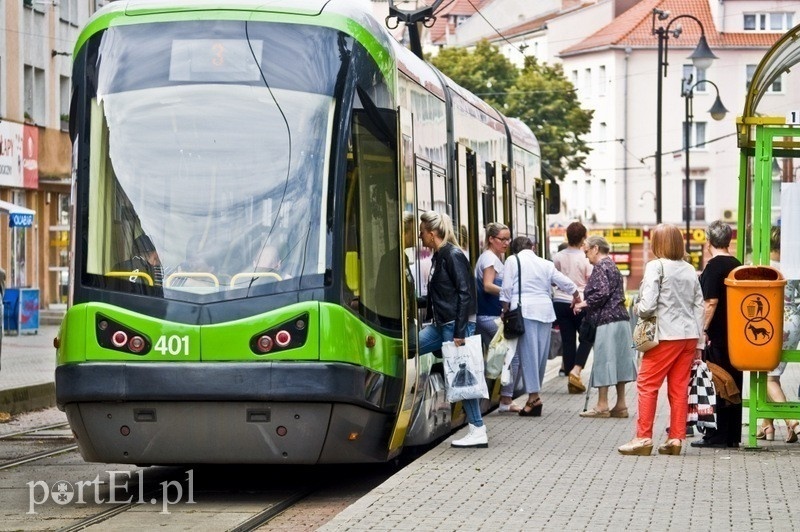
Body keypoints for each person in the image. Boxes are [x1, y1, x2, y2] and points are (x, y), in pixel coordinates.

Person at [619, 224, 704, 456]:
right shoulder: (689, 269)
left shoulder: (655, 266)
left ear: (659, 244)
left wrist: (636, 305)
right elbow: (699, 306)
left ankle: (643, 438)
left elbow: (647, 306)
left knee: (647, 385)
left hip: (665, 336)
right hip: (688, 336)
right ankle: (675, 438)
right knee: (678, 389)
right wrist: (699, 344)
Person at [417, 211, 485, 448]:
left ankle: (478, 429)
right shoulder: (439, 256)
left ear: (432, 233)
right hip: (441, 324)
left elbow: (465, 293)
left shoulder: (452, 255)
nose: (419, 236)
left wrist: (459, 331)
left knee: (462, 377)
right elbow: (442, 294)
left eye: (422, 231)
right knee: (409, 346)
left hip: (455, 325)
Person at [501, 236, 580, 417]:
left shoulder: (513, 260)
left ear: (515, 250)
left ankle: (534, 398)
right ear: (533, 247)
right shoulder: (545, 263)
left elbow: (506, 289)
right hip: (545, 312)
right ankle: (533, 398)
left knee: (528, 356)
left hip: (524, 312)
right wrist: (576, 294)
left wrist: (505, 310)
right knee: (540, 356)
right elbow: (563, 281)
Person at [689, 220, 745, 448]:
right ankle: (732, 435)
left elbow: (710, 302)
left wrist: (702, 330)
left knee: (718, 384)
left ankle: (717, 436)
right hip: (736, 335)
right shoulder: (736, 264)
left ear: (708, 241)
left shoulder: (714, 267)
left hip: (718, 337)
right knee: (733, 383)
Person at [573, 235, 636, 418]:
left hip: (607, 321)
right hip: (621, 320)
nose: (586, 257)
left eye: (587, 252)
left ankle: (602, 405)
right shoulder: (612, 265)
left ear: (595, 249)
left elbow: (602, 292)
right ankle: (621, 405)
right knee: (620, 361)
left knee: (604, 360)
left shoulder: (601, 266)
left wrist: (582, 304)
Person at [755, 225, 800, 443]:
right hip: (794, 321)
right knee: (774, 374)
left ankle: (792, 421)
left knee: (767, 376)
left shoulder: (767, 267)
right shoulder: (793, 265)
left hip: (775, 322)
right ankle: (767, 426)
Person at [474, 222, 519, 413]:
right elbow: (487, 285)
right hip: (489, 316)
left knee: (494, 357)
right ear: (491, 239)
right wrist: (509, 293)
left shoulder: (490, 257)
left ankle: (482, 401)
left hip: (484, 316)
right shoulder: (490, 259)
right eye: (502, 239)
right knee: (512, 355)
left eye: (508, 239)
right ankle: (506, 400)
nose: (506, 243)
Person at [552, 221, 593, 394]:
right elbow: (590, 282)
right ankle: (576, 372)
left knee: (568, 340)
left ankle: (571, 377)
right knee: (586, 337)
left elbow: (553, 279)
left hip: (560, 302)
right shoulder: (585, 258)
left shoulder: (558, 256)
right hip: (580, 302)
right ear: (583, 238)